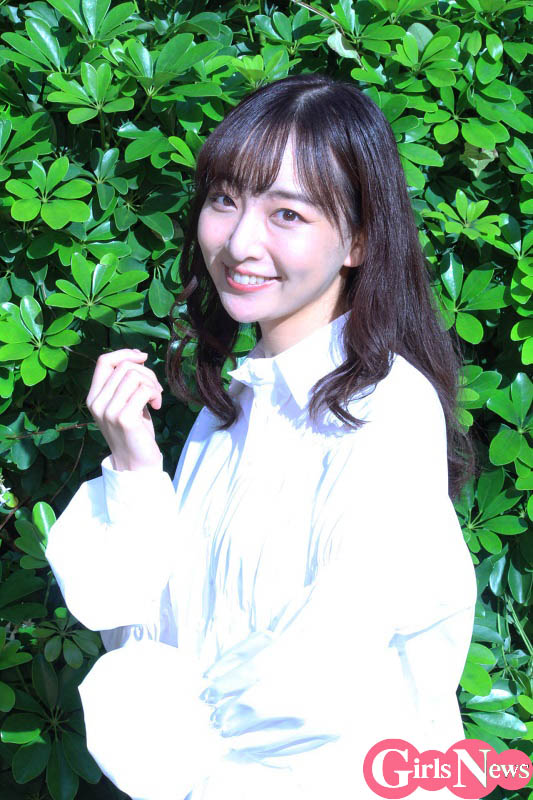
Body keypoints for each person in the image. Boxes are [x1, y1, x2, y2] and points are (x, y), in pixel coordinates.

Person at [45, 73, 478, 800]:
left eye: (286, 214)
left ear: (358, 240)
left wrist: (168, 736)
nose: (240, 241)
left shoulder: (386, 410)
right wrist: (134, 469)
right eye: (224, 200)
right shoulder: (235, 408)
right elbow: (150, 640)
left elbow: (316, 679)